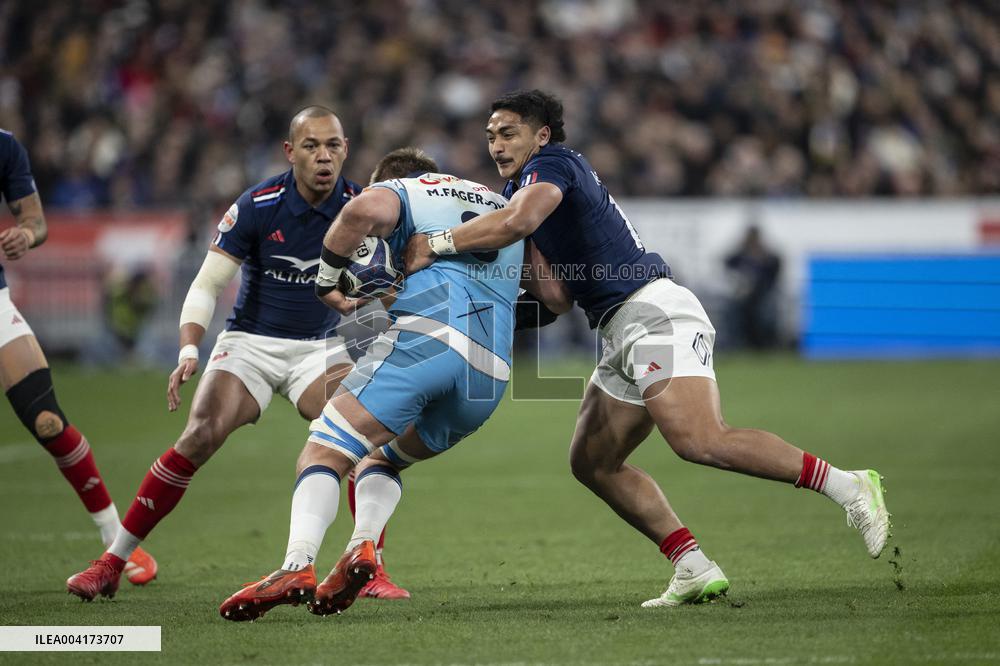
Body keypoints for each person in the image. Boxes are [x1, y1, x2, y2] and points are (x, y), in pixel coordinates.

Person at [404, 90, 890, 608]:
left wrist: (436, 244)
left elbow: (519, 221)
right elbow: (554, 296)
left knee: (700, 439)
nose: (496, 144)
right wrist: (480, 315)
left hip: (652, 311)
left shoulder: (554, 165)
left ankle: (848, 484)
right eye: (490, 136)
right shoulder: (521, 192)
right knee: (593, 462)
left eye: (507, 133)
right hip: (617, 328)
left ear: (540, 135)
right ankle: (692, 567)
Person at [65, 107, 407, 601]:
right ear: (290, 152)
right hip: (250, 344)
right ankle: (113, 560)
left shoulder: (365, 206)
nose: (323, 156)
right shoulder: (258, 205)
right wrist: (187, 348)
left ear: (346, 149)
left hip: (319, 349)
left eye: (333, 145)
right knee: (199, 436)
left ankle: (369, 566)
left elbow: (394, 282)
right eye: (311, 146)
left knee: (362, 443)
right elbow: (208, 283)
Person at [217, 147, 534, 621]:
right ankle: (362, 547)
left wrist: (327, 282)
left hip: (428, 342)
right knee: (381, 459)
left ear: (389, 182)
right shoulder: (504, 207)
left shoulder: (404, 191)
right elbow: (553, 294)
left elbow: (361, 211)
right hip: (490, 374)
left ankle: (296, 565)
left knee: (323, 450)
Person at [0, 128, 157, 585]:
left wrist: (26, 236)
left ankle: (118, 545)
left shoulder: (7, 146)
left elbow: (37, 222)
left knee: (46, 419)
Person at [724, 224, 782, 349]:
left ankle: (764, 345)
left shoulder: (767, 257)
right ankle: (739, 344)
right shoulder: (741, 255)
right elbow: (727, 262)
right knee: (733, 312)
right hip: (744, 298)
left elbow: (774, 274)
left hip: (763, 297)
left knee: (764, 314)